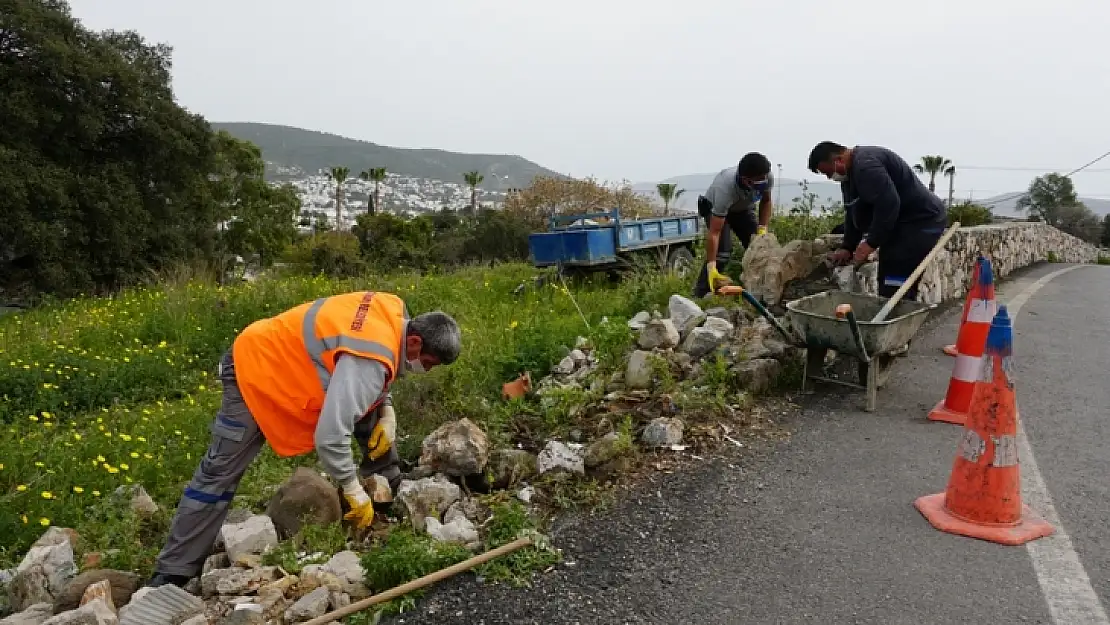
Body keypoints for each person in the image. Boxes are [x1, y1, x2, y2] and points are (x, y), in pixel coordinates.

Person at [146, 291, 461, 588]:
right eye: (429, 363)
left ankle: (385, 494)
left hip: (291, 359)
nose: (427, 370)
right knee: (220, 472)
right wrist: (351, 489)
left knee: (372, 411)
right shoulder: (370, 359)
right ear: (416, 341)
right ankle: (173, 569)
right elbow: (331, 435)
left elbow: (371, 367)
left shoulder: (394, 312)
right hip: (255, 369)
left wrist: (387, 413)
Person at [807, 141, 948, 301]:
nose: (830, 177)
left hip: (923, 221)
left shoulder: (866, 166)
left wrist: (870, 243)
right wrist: (847, 246)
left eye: (828, 172)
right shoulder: (849, 175)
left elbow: (888, 204)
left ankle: (897, 313)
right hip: (902, 222)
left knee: (897, 271)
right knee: (889, 271)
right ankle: (893, 311)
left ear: (838, 160)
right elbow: (852, 211)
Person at [692, 152, 775, 298]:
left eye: (765, 178)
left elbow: (766, 201)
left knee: (758, 246)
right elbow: (714, 232)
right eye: (759, 180)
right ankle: (701, 293)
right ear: (746, 180)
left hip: (742, 209)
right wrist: (711, 265)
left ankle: (760, 291)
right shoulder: (724, 188)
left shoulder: (767, 177)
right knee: (722, 253)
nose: (764, 181)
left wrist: (762, 228)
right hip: (714, 209)